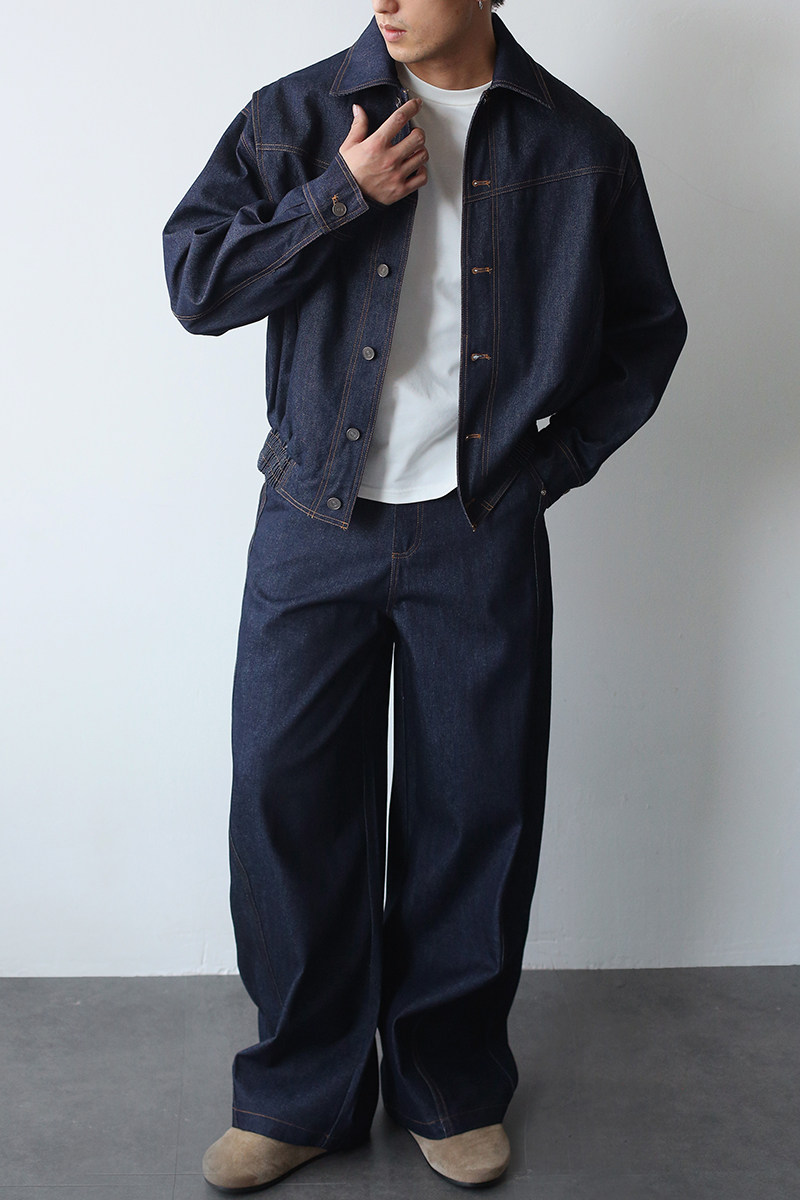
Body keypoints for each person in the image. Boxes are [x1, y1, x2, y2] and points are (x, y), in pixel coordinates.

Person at [162, 0, 687, 1191]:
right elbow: (196, 283)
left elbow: (643, 335)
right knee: (286, 804)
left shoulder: (580, 147)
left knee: (472, 812)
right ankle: (298, 1094)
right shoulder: (295, 118)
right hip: (311, 518)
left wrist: (539, 473)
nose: (385, 3)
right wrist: (337, 196)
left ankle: (447, 1081)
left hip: (477, 529)